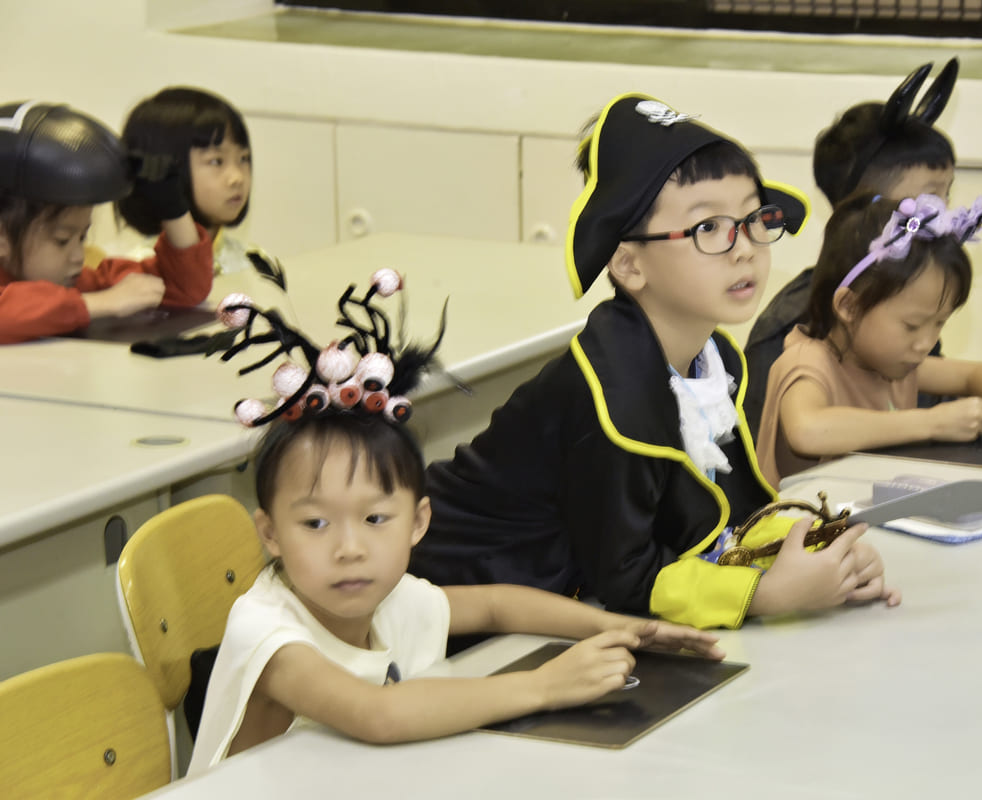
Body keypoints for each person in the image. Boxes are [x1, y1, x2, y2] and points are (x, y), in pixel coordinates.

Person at [188, 274, 723, 773]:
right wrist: (544, 686)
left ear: (418, 521)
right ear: (270, 533)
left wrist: (621, 629)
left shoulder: (391, 598)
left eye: (375, 518)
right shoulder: (268, 633)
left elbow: (497, 605)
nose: (350, 547)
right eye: (315, 524)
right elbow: (379, 714)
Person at [409, 92, 899, 633]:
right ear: (628, 265)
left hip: (560, 604)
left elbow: (730, 519)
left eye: (754, 217)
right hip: (450, 609)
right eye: (708, 228)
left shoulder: (715, 362)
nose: (745, 248)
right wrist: (765, 594)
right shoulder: (610, 393)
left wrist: (819, 553)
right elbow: (627, 579)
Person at [755, 192, 982, 487]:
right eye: (912, 326)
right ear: (849, 307)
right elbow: (808, 430)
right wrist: (931, 423)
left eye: (939, 323)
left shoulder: (890, 362)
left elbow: (975, 375)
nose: (926, 343)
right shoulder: (808, 363)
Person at [744, 60, 959, 435]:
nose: (944, 216)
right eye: (928, 199)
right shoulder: (795, 328)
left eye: (947, 196)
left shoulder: (911, 299)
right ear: (864, 207)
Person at [0, 101, 212, 344]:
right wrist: (100, 303)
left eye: (82, 237)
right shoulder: (73, 296)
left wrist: (173, 208)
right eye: (62, 240)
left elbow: (184, 289)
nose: (78, 256)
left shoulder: (72, 284)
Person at [116, 86, 282, 283]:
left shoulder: (255, 263)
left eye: (243, 158)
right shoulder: (141, 271)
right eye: (216, 161)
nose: (237, 177)